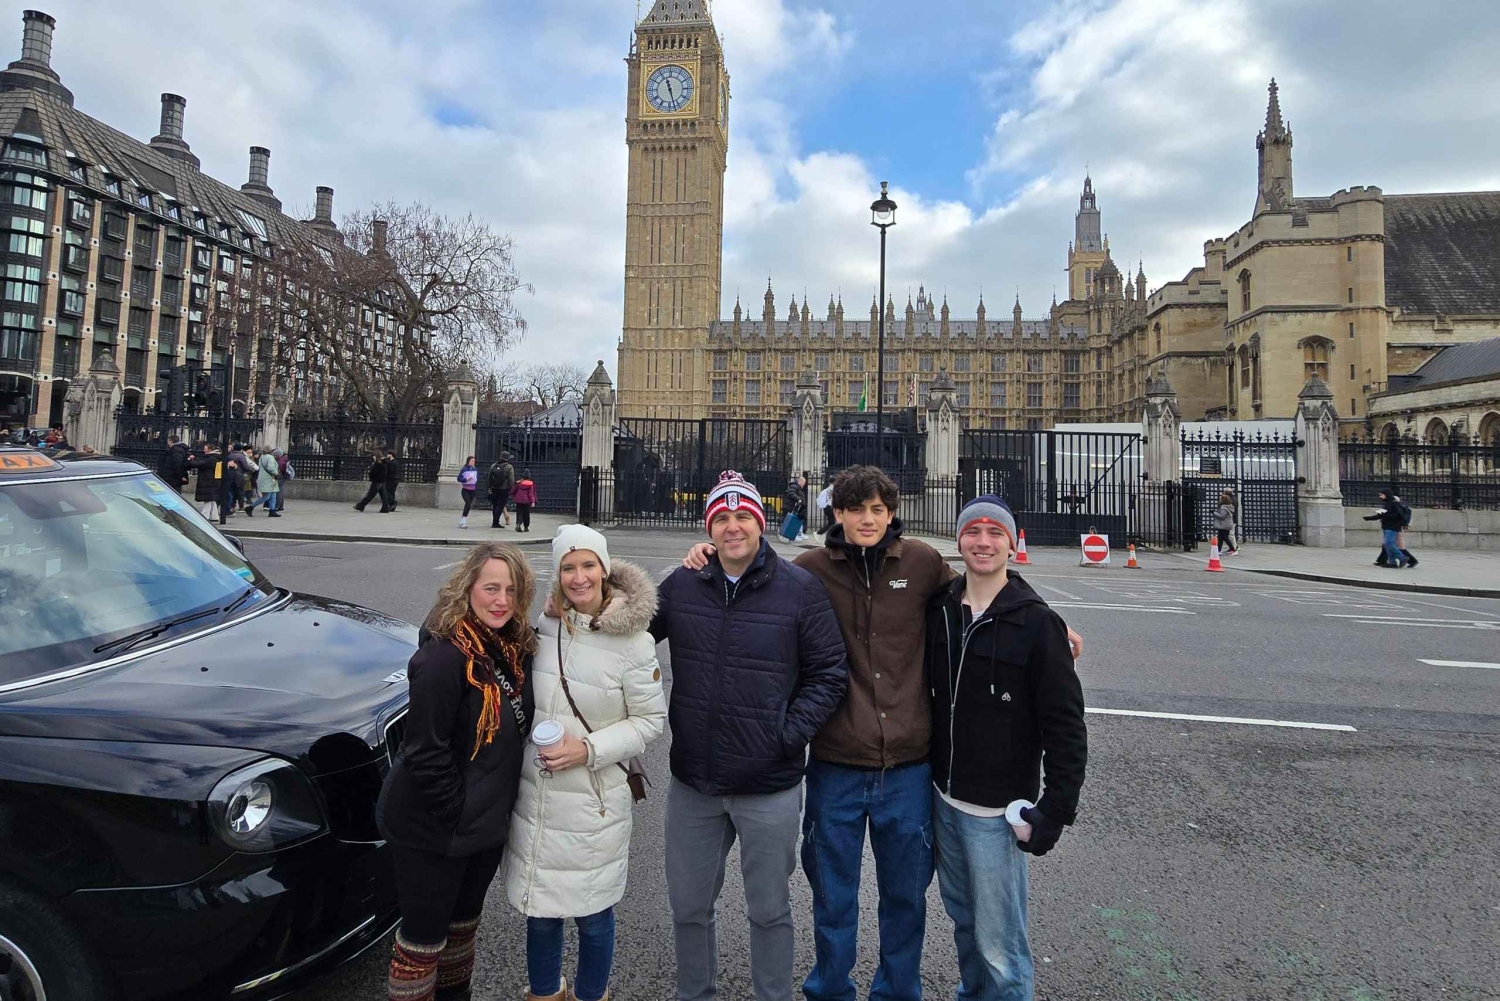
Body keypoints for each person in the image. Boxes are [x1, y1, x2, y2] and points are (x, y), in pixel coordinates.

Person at [681, 467, 1086, 1001]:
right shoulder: (809, 570)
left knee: (904, 898)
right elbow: (749, 569)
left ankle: (897, 990)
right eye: (855, 509)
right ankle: (831, 988)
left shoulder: (922, 564)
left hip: (908, 768)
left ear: (891, 513)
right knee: (833, 896)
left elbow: (988, 584)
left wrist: (1050, 621)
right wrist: (704, 554)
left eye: (877, 509)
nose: (867, 519)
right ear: (839, 514)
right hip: (836, 763)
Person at [649, 470, 848, 1001]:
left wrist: (787, 735)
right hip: (695, 781)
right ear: (708, 527)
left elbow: (829, 673)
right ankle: (695, 993)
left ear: (760, 523)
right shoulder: (683, 583)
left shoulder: (799, 589)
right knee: (689, 907)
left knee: (769, 910)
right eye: (722, 518)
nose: (733, 528)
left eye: (743, 517)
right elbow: (628, 631)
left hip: (769, 783)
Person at [927, 495, 1088, 1001]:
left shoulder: (1039, 624)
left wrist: (1055, 811)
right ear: (958, 542)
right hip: (942, 800)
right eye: (973, 531)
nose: (983, 541)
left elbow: (1066, 725)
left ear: (1013, 544)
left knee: (1001, 946)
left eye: (995, 532)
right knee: (965, 924)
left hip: (995, 814)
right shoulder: (940, 610)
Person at [503, 525, 667, 1001]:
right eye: (568, 568)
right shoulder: (546, 627)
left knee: (594, 915)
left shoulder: (635, 642)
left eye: (588, 565)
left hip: (595, 797)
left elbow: (650, 721)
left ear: (605, 568)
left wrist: (588, 750)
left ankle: (592, 995)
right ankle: (545, 993)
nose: (579, 578)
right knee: (542, 913)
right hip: (539, 793)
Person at [375, 542, 537, 1001]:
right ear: (467, 588)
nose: (501, 599)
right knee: (422, 943)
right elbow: (425, 751)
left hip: (482, 829)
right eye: (490, 588)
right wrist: (459, 812)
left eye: (511, 589)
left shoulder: (512, 647)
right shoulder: (444, 658)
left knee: (462, 933)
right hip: (433, 829)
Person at [1364, 490, 1409, 569]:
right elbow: (1381, 515)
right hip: (1386, 526)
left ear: (1386, 495)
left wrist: (1386, 515)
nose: (1380, 497)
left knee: (1388, 543)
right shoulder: (1387, 504)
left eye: (1381, 495)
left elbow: (1399, 515)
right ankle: (1392, 562)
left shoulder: (1395, 503)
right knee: (1387, 544)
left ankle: (1402, 558)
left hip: (1392, 527)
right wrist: (1369, 518)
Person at [188, 442, 224, 520]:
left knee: (208, 499)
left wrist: (191, 460)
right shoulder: (216, 457)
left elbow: (199, 465)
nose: (204, 451)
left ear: (210, 450)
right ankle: (214, 516)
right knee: (212, 499)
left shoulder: (211, 458)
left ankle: (205, 516)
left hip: (208, 480)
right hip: (213, 480)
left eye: (205, 449)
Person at [245, 446, 281, 517]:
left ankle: (272, 510)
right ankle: (250, 507)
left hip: (264, 478)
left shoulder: (262, 457)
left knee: (273, 494)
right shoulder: (270, 457)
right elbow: (270, 467)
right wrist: (276, 473)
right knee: (266, 496)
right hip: (269, 479)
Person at [489, 451, 517, 528]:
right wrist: (511, 488)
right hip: (504, 489)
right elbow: (511, 479)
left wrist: (490, 486)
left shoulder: (494, 465)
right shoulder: (509, 467)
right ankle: (495, 522)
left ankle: (494, 521)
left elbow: (489, 476)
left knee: (495, 505)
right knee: (500, 505)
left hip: (494, 488)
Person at [1214, 489, 1239, 556]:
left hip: (1224, 525)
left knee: (1225, 537)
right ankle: (1219, 550)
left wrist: (1214, 513)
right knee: (1221, 538)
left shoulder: (1224, 508)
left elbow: (1222, 516)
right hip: (1226, 524)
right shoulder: (1229, 506)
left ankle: (1233, 549)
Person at [456, 456, 479, 529]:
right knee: (468, 503)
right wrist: (466, 479)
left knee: (469, 505)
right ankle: (463, 521)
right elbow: (459, 479)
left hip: (472, 489)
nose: (473, 462)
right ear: (468, 461)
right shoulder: (464, 469)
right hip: (465, 489)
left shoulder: (475, 469)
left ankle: (464, 518)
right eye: (472, 461)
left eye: (474, 461)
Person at [512, 468, 537, 533]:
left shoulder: (519, 482)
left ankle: (518, 523)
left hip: (519, 500)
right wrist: (533, 501)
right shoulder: (530, 483)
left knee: (519, 513)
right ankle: (526, 527)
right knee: (526, 514)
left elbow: (513, 490)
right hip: (526, 501)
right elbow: (531, 493)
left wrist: (513, 496)